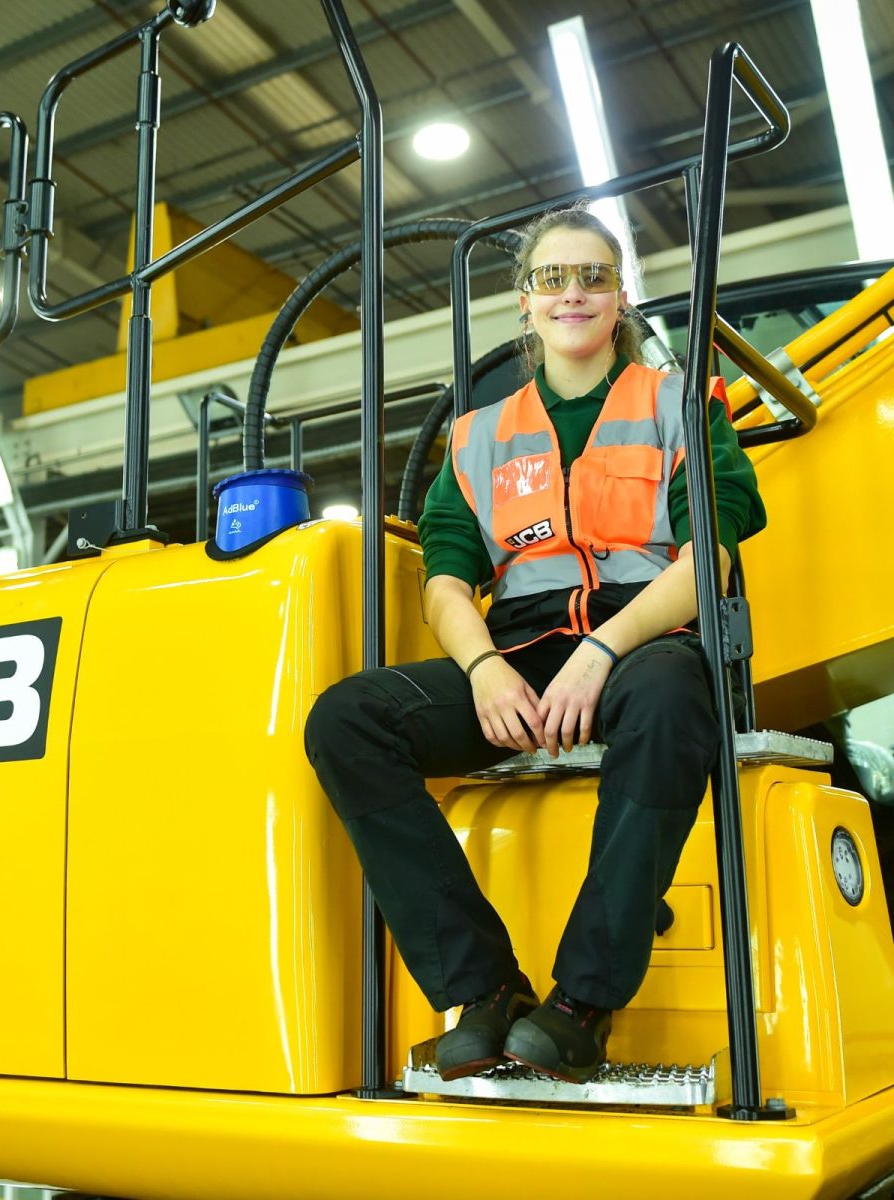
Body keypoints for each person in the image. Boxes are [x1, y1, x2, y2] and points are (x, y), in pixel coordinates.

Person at [303, 205, 766, 1085]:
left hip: (647, 634)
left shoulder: (679, 404)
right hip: (519, 649)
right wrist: (481, 669)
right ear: (525, 303)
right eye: (552, 279)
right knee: (348, 720)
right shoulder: (480, 436)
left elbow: (711, 554)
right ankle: (481, 992)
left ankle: (581, 1003)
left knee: (672, 697)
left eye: (593, 276)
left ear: (621, 296)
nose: (574, 294)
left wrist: (605, 650)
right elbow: (445, 579)